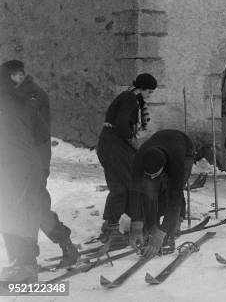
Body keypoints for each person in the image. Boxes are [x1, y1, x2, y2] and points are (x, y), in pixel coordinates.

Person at [0, 60, 78, 269]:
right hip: (16, 165)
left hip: (31, 162)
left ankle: (63, 245)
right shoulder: (11, 96)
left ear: (19, 75)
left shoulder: (33, 96)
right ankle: (23, 258)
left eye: (11, 77)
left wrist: (42, 166)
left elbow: (41, 135)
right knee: (15, 209)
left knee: (36, 209)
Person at [96, 73, 157, 251]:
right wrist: (133, 140)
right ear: (143, 88)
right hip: (115, 146)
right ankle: (131, 225)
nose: (149, 95)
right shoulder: (130, 99)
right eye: (150, 92)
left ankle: (110, 226)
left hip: (108, 144)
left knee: (119, 187)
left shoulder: (128, 97)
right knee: (132, 182)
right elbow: (123, 124)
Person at [0, 66, 41, 282]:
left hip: (17, 165)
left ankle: (27, 268)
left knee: (18, 211)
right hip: (15, 164)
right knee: (12, 211)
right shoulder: (22, 98)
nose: (21, 77)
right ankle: (22, 263)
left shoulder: (14, 100)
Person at [128, 129, 194, 258]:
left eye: (155, 175)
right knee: (149, 191)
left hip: (184, 149)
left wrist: (161, 234)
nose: (152, 178)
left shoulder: (176, 163)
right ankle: (152, 226)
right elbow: (135, 192)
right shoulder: (138, 159)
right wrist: (136, 225)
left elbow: (174, 199)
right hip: (161, 144)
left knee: (173, 190)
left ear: (163, 168)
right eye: (149, 175)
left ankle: (170, 233)